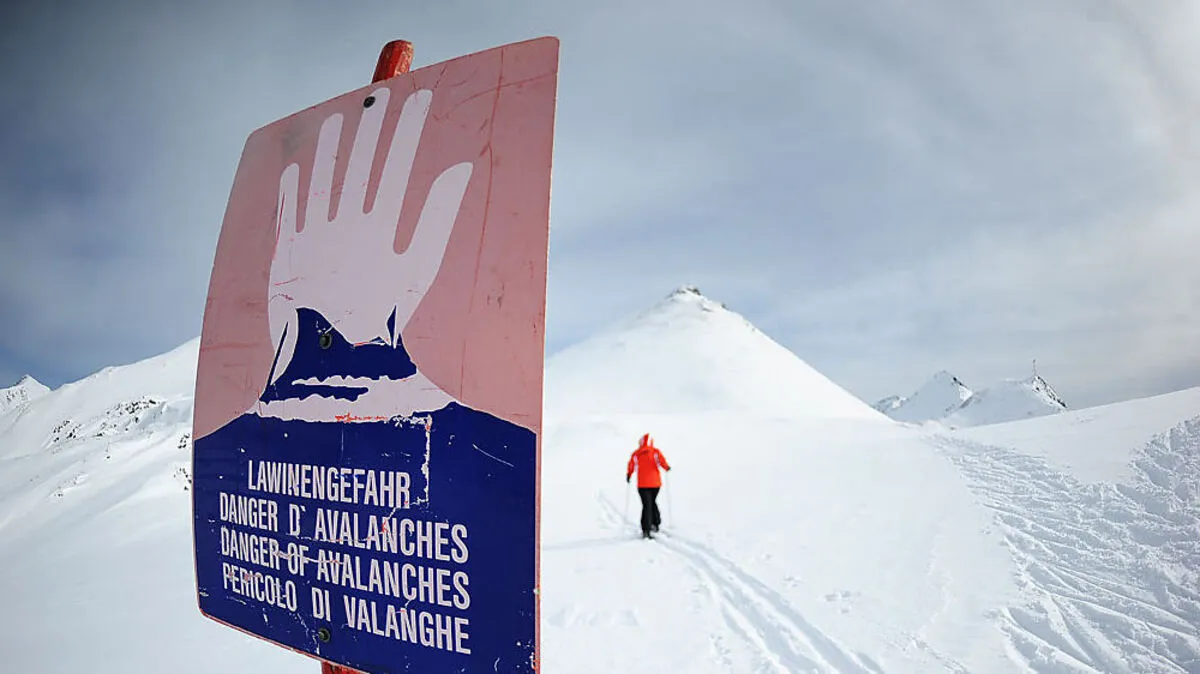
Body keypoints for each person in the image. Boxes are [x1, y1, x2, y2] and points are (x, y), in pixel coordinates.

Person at [626, 433, 671, 538]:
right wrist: (667, 467)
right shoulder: (655, 452)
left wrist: (629, 474)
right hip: (656, 484)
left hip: (642, 485)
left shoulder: (636, 454)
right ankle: (656, 523)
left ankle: (646, 529)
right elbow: (662, 462)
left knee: (647, 505)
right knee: (652, 502)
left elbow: (631, 465)